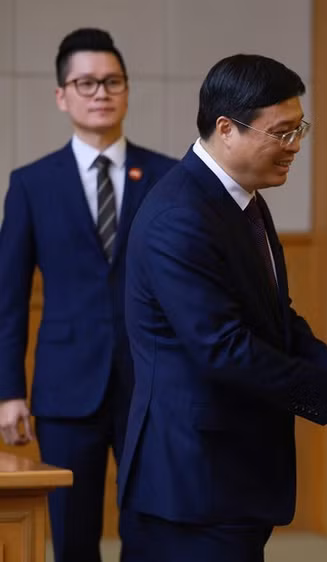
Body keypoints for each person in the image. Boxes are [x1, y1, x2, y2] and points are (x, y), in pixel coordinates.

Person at [116, 54, 327, 562]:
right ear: (227, 129)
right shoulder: (179, 216)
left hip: (231, 478)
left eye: (300, 130)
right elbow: (223, 349)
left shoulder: (242, 201)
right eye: (281, 132)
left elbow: (277, 323)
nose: (294, 147)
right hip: (191, 484)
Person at [0, 28, 176, 562]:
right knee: (72, 535)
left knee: (150, 527)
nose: (100, 92)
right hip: (64, 387)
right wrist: (10, 392)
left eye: (112, 81)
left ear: (126, 90)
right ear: (62, 95)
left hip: (152, 384)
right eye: (86, 82)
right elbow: (8, 300)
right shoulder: (31, 183)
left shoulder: (168, 177)